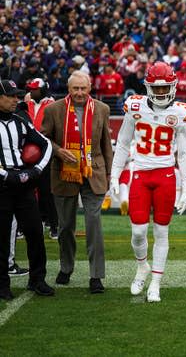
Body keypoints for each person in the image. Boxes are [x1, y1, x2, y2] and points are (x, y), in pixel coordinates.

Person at [110, 62, 186, 303]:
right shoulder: (135, 107)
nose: (160, 93)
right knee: (137, 232)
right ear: (147, 87)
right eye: (156, 89)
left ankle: (156, 282)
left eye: (164, 88)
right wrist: (115, 174)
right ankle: (142, 266)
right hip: (141, 173)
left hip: (165, 175)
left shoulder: (180, 113)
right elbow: (123, 143)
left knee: (161, 232)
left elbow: (185, 154)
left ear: (173, 86)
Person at [42, 71, 112, 293]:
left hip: (94, 174)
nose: (80, 93)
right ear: (68, 89)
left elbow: (106, 145)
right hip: (64, 173)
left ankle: (96, 276)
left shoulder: (102, 109)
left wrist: (109, 175)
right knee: (65, 227)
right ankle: (66, 267)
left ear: (90, 87)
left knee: (94, 224)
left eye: (83, 88)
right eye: (75, 89)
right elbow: (43, 138)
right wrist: (59, 151)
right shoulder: (53, 110)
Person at [0, 79, 55, 300]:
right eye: (11, 95)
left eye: (17, 95)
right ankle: (2, 284)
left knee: (34, 232)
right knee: (2, 236)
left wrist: (37, 170)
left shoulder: (20, 121)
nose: (16, 99)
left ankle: (37, 279)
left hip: (23, 184)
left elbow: (46, 144)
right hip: (2, 186)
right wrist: (6, 174)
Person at [25, 78, 58, 238]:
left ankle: (53, 224)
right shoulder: (27, 103)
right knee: (26, 190)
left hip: (45, 151)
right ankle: (26, 226)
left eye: (35, 89)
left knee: (47, 191)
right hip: (27, 151)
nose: (32, 91)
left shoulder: (52, 104)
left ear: (43, 90)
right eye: (31, 89)